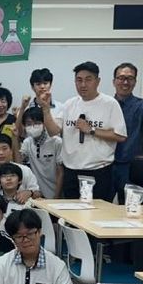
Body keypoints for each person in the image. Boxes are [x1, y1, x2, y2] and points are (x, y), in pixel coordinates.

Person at [39, 61, 127, 200]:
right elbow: (53, 131)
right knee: (71, 211)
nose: (83, 84)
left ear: (98, 81)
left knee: (97, 211)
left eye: (88, 80)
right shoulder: (70, 104)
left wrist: (91, 130)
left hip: (98, 171)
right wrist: (45, 109)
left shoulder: (110, 103)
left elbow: (120, 136)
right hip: (71, 171)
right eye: (79, 80)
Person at [112, 62, 143, 203]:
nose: (125, 82)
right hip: (106, 165)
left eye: (130, 78)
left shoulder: (141, 105)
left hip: (131, 166)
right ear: (114, 81)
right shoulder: (106, 104)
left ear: (135, 82)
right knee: (101, 206)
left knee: (131, 207)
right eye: (121, 78)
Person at [0, 134, 40, 201]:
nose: (1, 153)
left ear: (11, 151)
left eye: (5, 149)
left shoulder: (25, 170)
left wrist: (30, 192)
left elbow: (38, 193)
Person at [18, 107, 63, 199]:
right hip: (37, 194)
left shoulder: (56, 142)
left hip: (56, 193)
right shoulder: (27, 142)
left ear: (44, 123)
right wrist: (15, 138)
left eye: (37, 123)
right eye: (29, 124)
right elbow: (18, 163)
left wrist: (56, 197)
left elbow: (60, 172)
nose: (33, 126)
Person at [15, 68, 63, 139]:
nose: (42, 87)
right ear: (32, 87)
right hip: (31, 145)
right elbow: (18, 133)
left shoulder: (60, 107)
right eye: (38, 84)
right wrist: (22, 108)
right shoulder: (26, 108)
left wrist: (46, 108)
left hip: (55, 145)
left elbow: (57, 133)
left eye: (45, 83)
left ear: (50, 85)